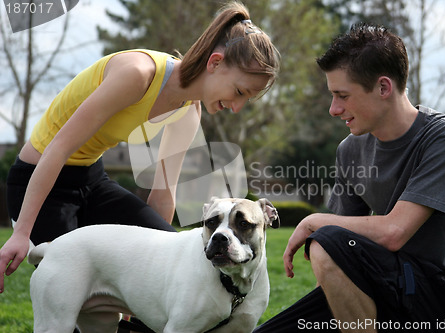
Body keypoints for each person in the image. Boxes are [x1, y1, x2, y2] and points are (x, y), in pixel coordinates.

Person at [0, 0, 280, 298]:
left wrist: (158, 264)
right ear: (215, 62)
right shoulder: (138, 74)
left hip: (91, 180)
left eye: (245, 100)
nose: (236, 107)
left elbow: (162, 193)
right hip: (40, 177)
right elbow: (59, 147)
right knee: (73, 289)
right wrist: (21, 233)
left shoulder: (189, 112)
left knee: (169, 254)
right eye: (238, 92)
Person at [254, 23, 445, 333]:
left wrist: (312, 223)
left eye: (342, 95)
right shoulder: (350, 150)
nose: (334, 109)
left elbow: (393, 232)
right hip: (379, 285)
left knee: (325, 240)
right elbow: (338, 247)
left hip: (444, 299)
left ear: (383, 88)